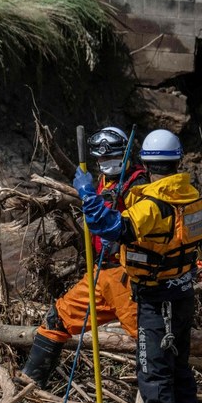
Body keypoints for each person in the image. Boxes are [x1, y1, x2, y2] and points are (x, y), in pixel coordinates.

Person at [78, 129, 202, 403]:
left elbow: (111, 228)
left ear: (147, 165)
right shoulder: (191, 196)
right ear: (178, 160)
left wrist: (89, 197)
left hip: (156, 297)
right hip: (182, 293)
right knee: (179, 368)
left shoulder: (152, 205)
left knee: (153, 372)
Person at [21, 126, 148, 386]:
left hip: (128, 276)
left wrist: (92, 197)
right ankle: (29, 388)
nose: (104, 162)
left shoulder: (139, 185)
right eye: (100, 158)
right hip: (101, 275)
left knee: (151, 342)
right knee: (56, 319)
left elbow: (125, 228)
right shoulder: (101, 181)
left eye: (110, 156)